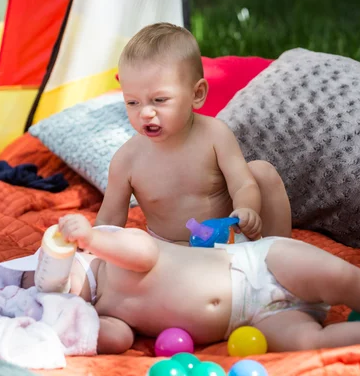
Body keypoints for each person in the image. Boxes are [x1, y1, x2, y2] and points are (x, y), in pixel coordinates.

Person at [19, 214, 360, 355]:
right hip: (251, 320)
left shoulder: (113, 255)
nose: (50, 284)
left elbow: (146, 253)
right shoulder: (106, 312)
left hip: (260, 266)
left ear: (79, 254)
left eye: (41, 269)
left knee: (341, 278)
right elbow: (118, 338)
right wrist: (85, 329)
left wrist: (91, 236)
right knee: (308, 341)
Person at [95, 22, 291, 243]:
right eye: (132, 102)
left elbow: (243, 184)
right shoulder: (127, 159)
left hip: (227, 240)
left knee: (262, 171)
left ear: (197, 94)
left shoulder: (214, 135)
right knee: (133, 248)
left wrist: (246, 210)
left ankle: (276, 253)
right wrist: (91, 242)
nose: (146, 113)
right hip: (170, 253)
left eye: (159, 100)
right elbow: (109, 220)